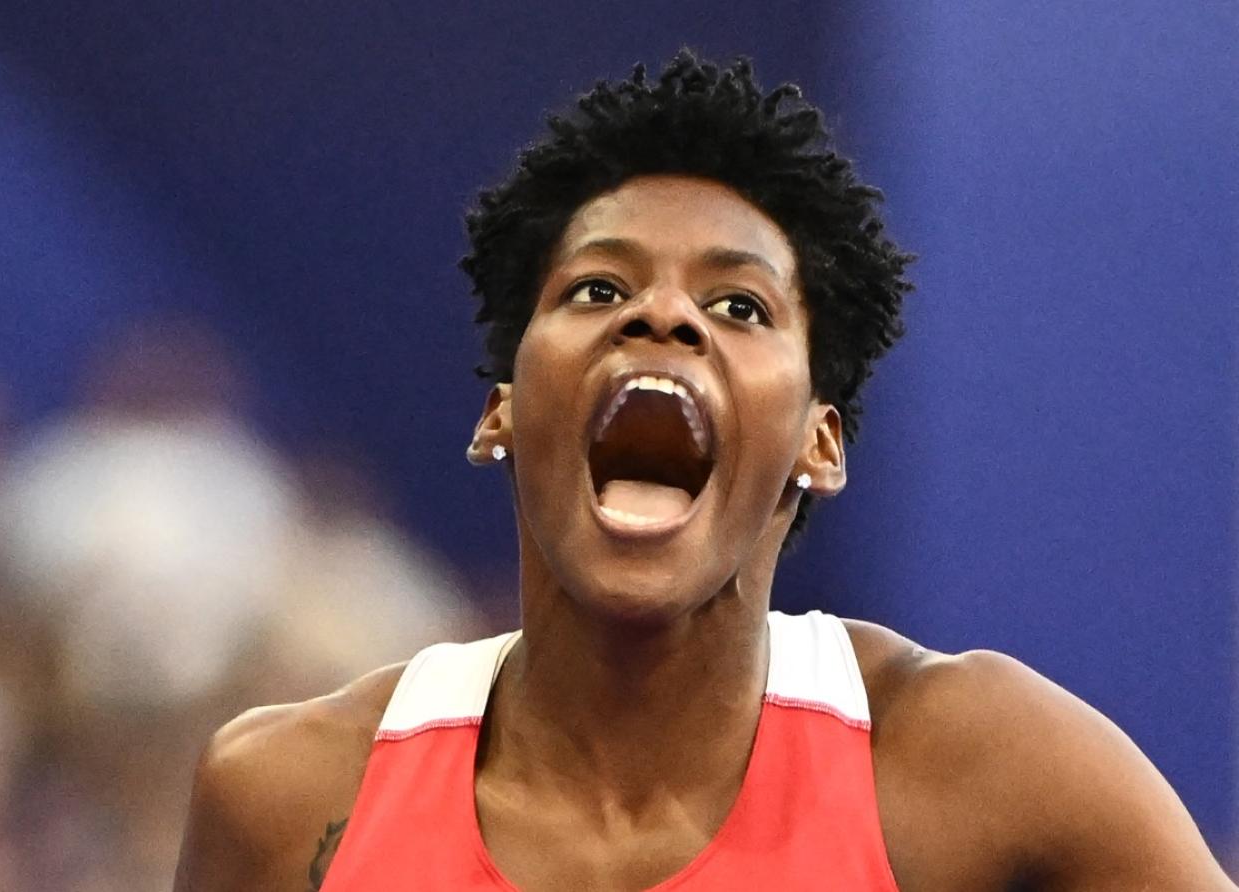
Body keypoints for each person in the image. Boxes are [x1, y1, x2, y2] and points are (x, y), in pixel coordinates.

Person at [173, 52, 1234, 891]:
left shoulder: (984, 771)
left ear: (818, 443)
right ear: (502, 409)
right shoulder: (287, 796)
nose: (661, 313)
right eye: (596, 288)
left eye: (739, 306)